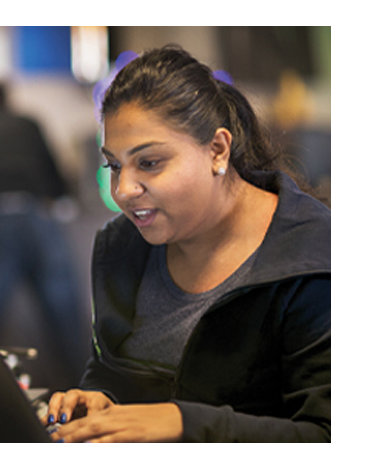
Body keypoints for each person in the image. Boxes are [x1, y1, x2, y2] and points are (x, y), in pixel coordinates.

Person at [44, 45, 330, 442]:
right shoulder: (122, 246)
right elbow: (112, 369)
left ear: (217, 150)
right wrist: (98, 398)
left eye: (149, 163)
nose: (123, 191)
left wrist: (182, 424)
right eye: (114, 166)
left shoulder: (316, 257)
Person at [0, 82, 86, 387]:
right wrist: (60, 195)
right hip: (36, 213)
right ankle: (88, 390)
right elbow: (54, 171)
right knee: (65, 314)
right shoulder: (28, 122)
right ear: (7, 100)